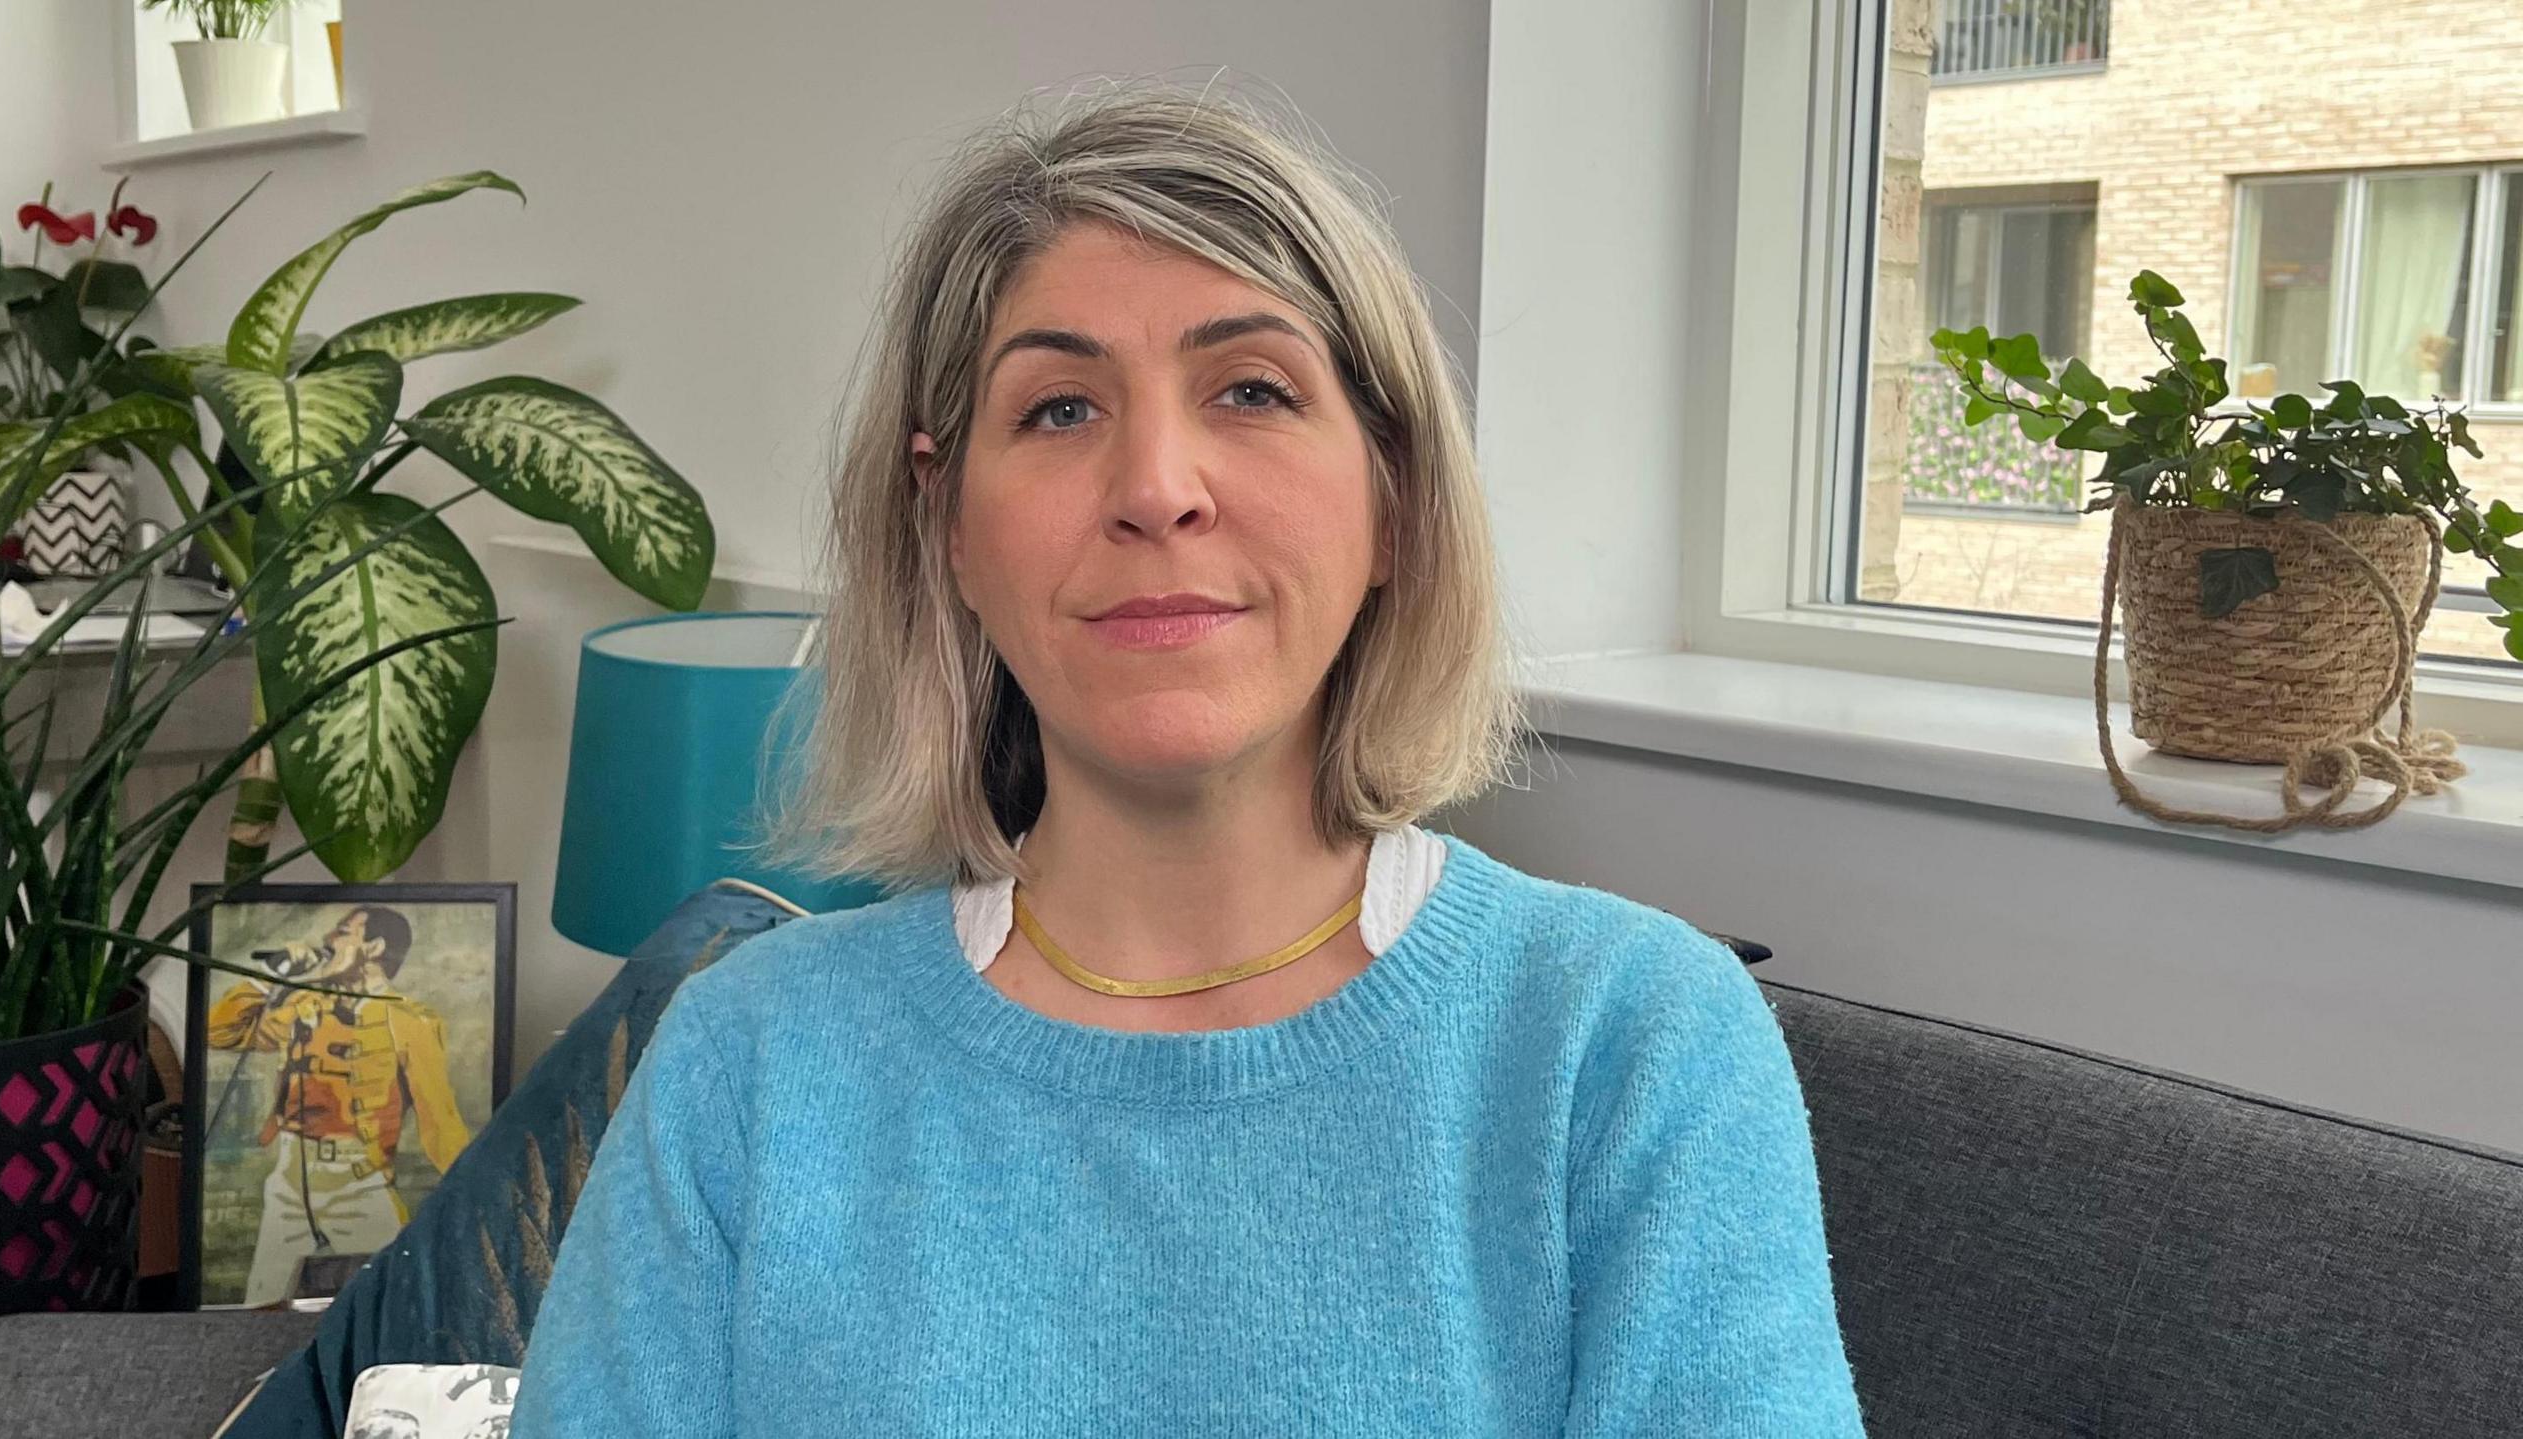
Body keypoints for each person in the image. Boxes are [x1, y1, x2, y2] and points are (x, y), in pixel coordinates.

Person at [514, 80, 1865, 1436]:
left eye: (1253, 388)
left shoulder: (1629, 1041)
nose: (1157, 485)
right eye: (1057, 410)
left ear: (1391, 497)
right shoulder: (747, 1064)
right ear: (950, 528)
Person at [205, 904, 472, 1306]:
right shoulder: (303, 1006)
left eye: (343, 932)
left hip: (359, 1184)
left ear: (374, 947)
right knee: (263, 1305)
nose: (328, 940)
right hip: (289, 1181)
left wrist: (473, 1196)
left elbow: (441, 1122)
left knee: (392, 1304)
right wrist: (273, 980)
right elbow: (218, 1031)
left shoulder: (410, 1021)